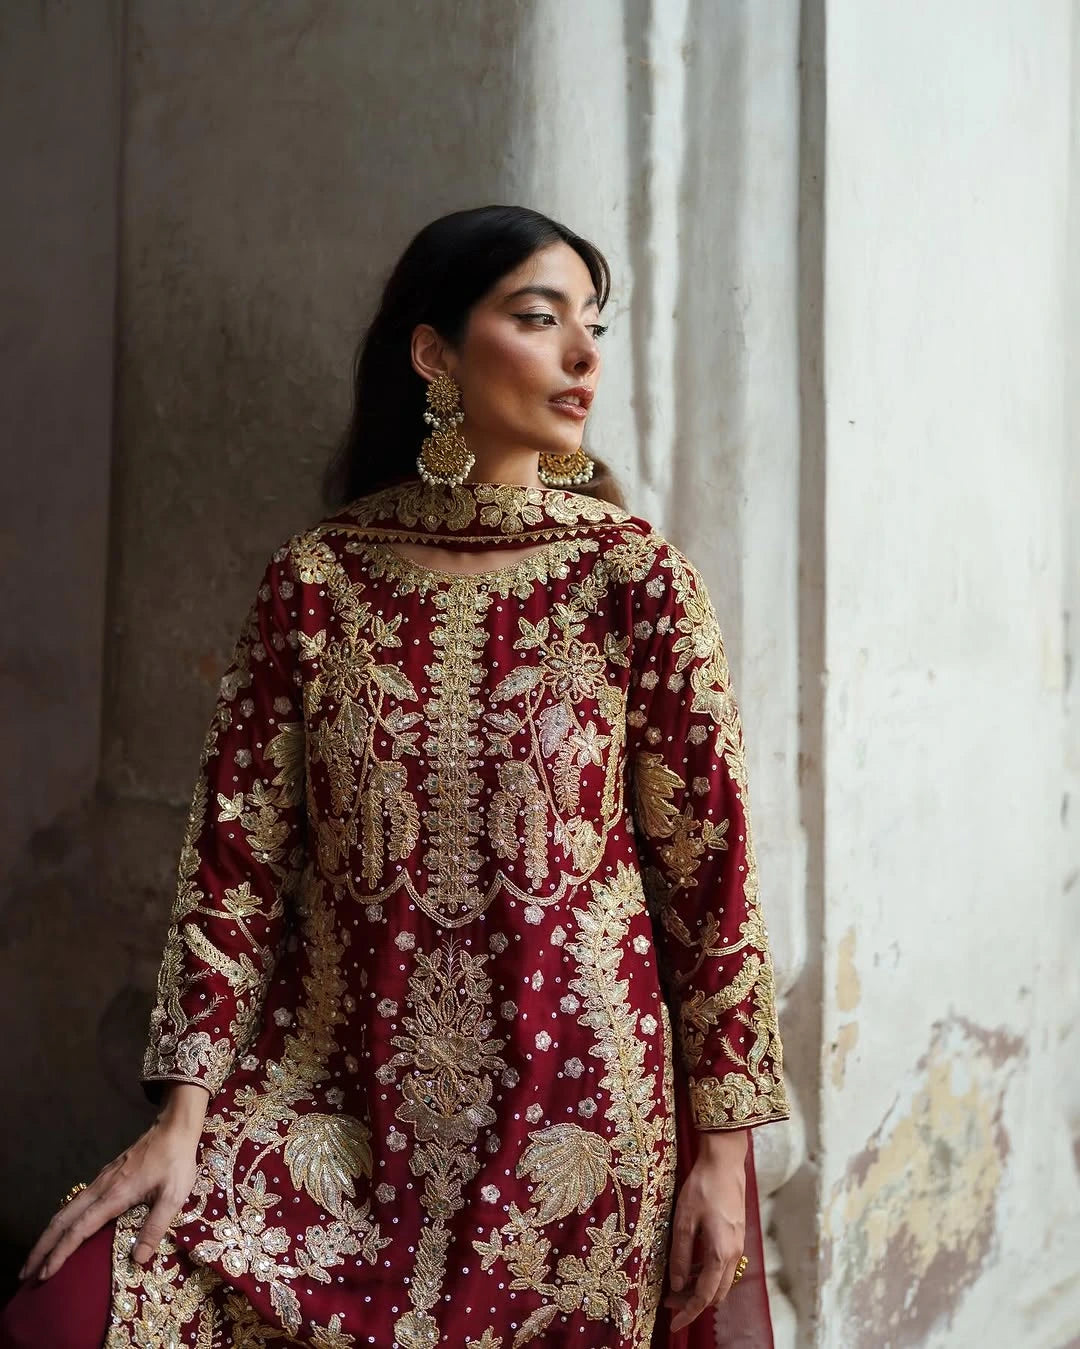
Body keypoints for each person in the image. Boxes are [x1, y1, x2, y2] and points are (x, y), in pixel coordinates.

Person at [3, 205, 790, 1348]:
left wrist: (722, 1154)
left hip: (570, 1133)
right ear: (435, 353)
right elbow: (234, 868)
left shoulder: (635, 581)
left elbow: (708, 881)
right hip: (331, 1107)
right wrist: (181, 1115)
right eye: (541, 318)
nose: (584, 353)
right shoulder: (317, 581)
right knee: (64, 1317)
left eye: (595, 323)